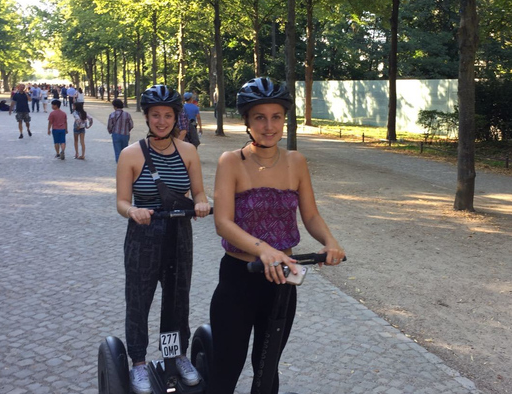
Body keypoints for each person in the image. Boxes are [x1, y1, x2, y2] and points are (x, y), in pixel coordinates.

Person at [208, 77, 345, 394]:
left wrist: (330, 241)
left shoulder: (296, 161)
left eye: (276, 117)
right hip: (239, 278)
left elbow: (309, 214)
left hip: (282, 281)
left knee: (267, 369)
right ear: (247, 120)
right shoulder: (231, 162)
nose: (269, 126)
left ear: (284, 119)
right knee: (226, 369)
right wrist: (264, 250)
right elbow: (223, 222)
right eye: (260, 117)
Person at [115, 85, 209, 394]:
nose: (161, 121)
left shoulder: (189, 152)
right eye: (155, 115)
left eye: (168, 115)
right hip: (143, 235)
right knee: (139, 300)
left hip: (179, 233)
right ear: (146, 117)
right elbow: (121, 202)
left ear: (176, 118)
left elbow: (198, 192)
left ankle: (176, 354)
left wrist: (201, 204)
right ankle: (139, 363)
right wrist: (133, 211)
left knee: (177, 299)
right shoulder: (131, 154)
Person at [107, 98, 134, 162]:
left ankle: (119, 165)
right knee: (125, 151)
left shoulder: (112, 115)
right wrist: (127, 130)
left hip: (116, 134)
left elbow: (109, 126)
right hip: (125, 134)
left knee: (117, 152)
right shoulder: (127, 114)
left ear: (115, 106)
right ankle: (125, 164)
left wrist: (110, 131)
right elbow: (131, 125)